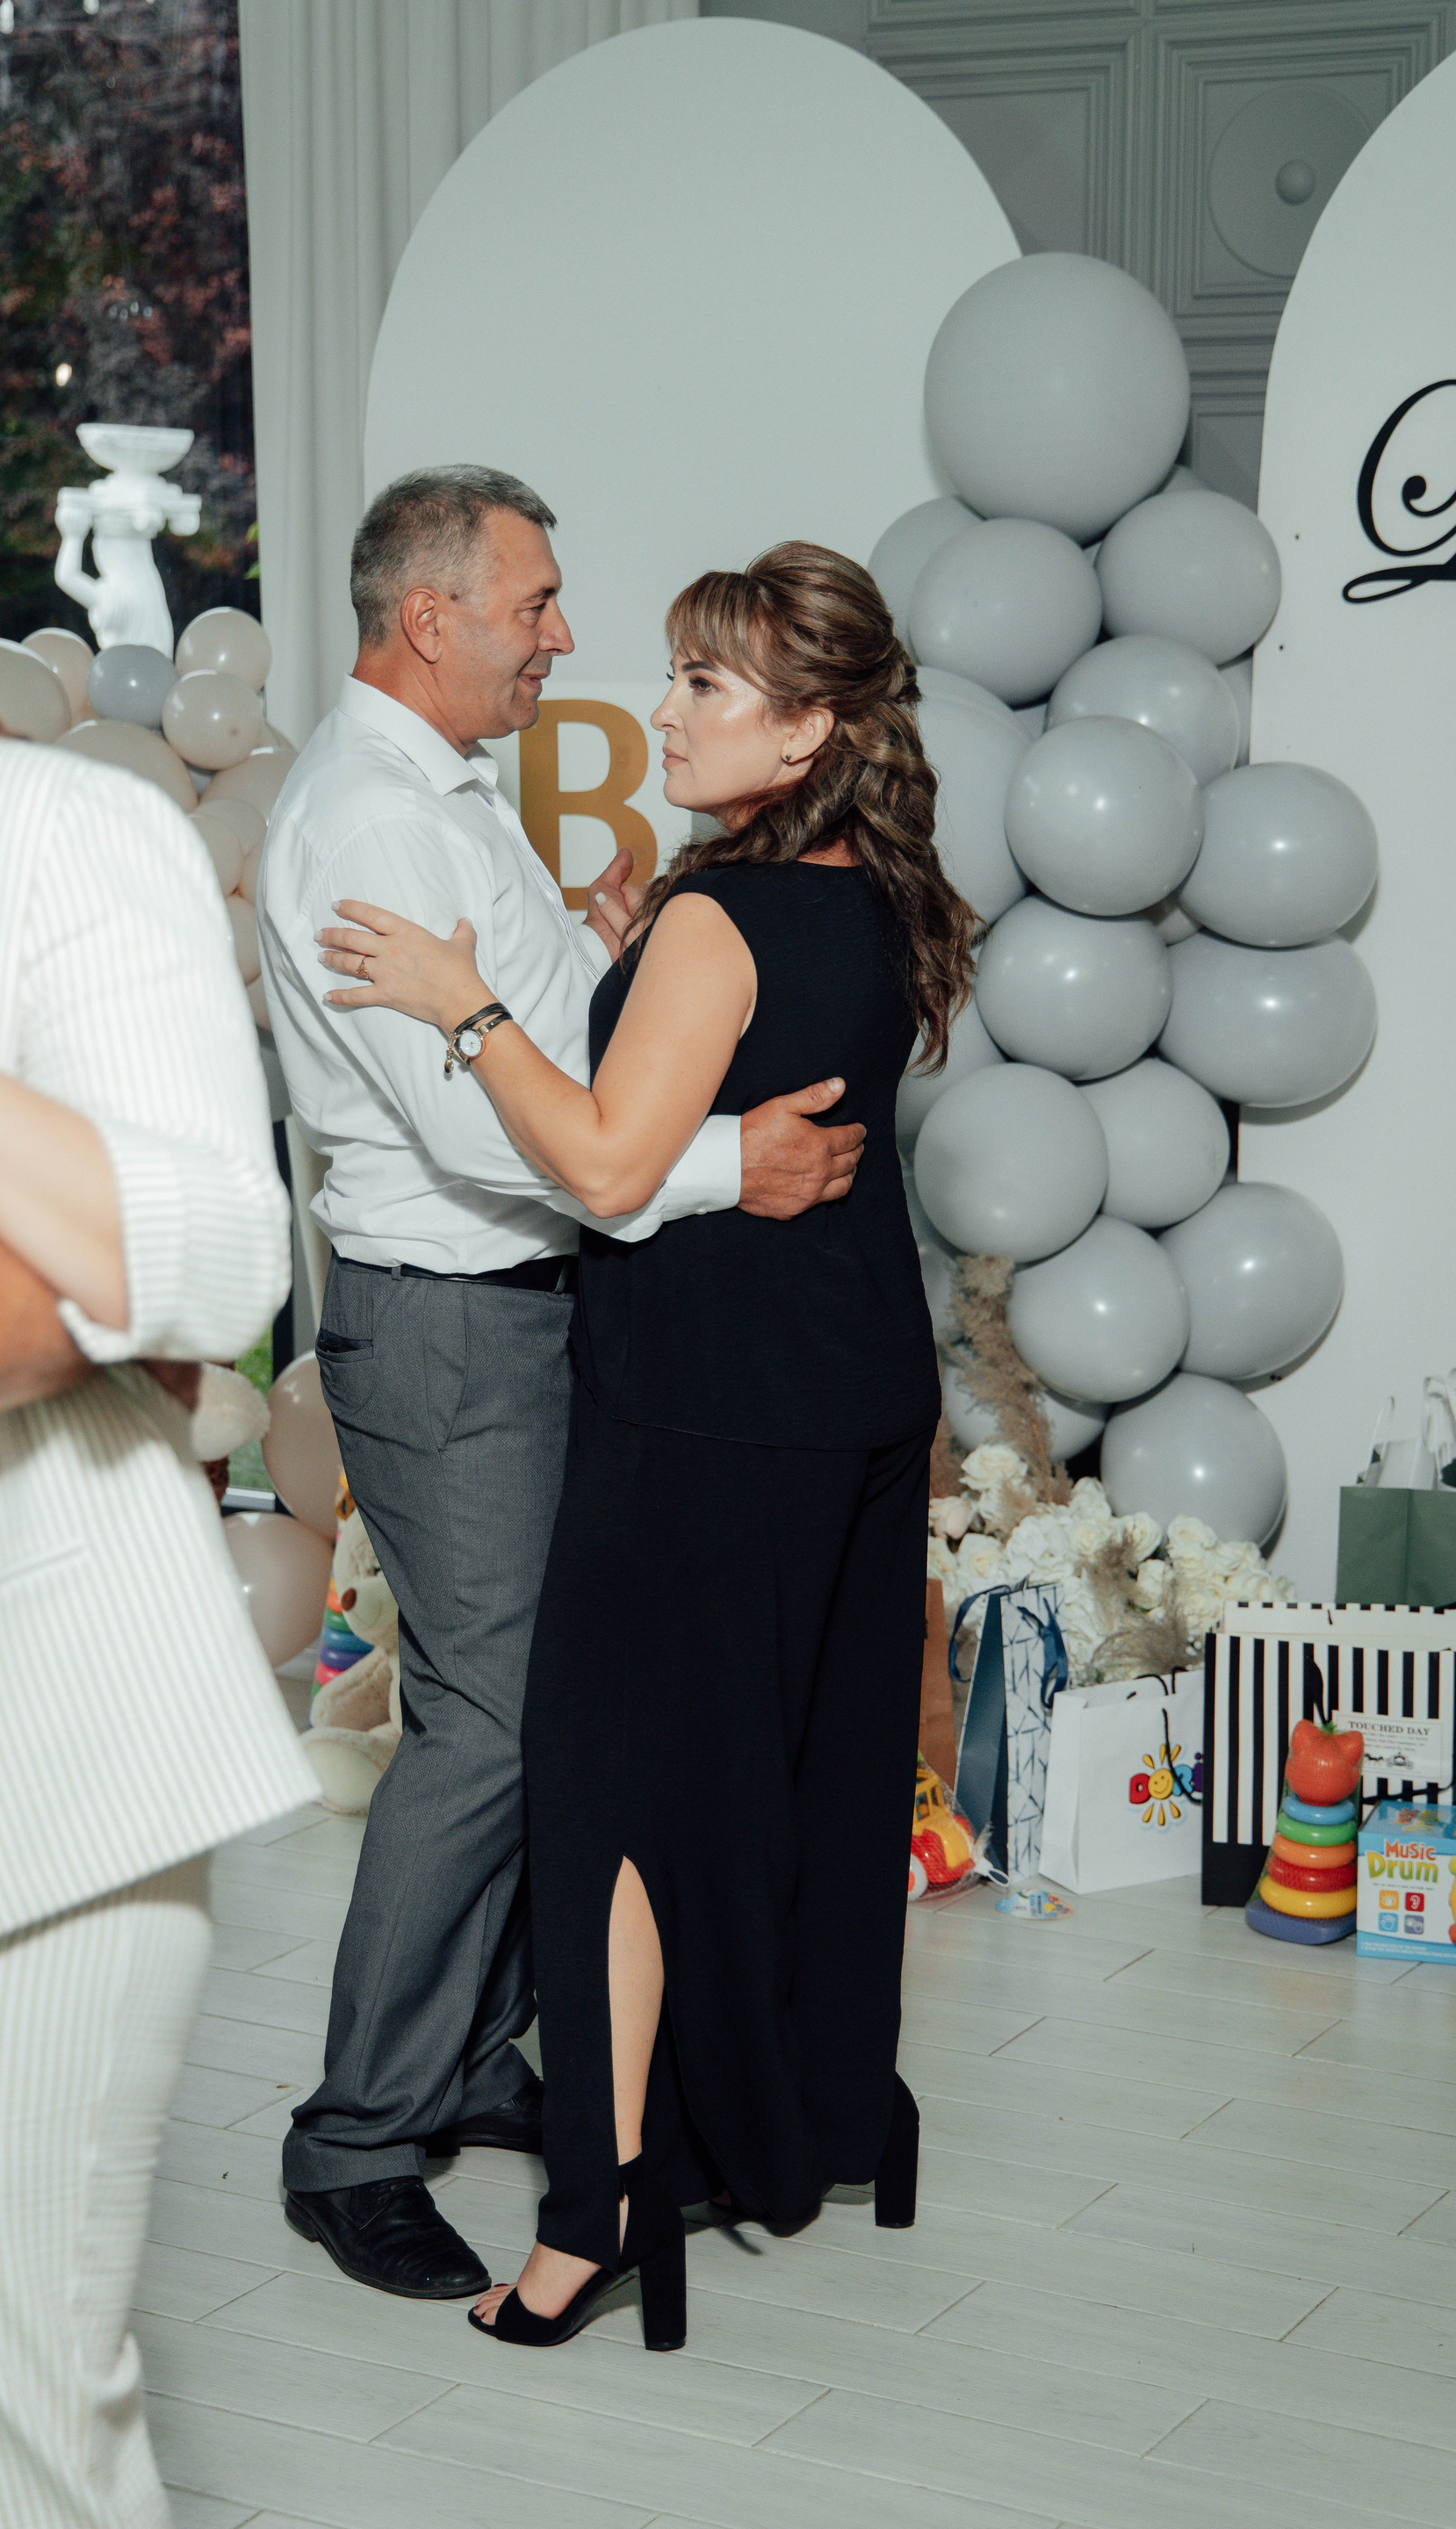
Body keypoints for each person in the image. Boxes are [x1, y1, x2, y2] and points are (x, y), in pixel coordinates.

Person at [315, 539, 975, 2352]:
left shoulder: (718, 916)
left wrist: (466, 1005)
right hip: (854, 1387)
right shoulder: (873, 889)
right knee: (809, 1768)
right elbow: (743, 1066)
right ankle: (818, 2114)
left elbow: (609, 1169)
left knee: (613, 1795)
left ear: (808, 730)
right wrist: (628, 970)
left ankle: (596, 2213)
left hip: (705, 1408)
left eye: (704, 685)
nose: (662, 711)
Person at [0, 739, 318, 2529]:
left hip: (47, 1753)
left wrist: (62, 1285)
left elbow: (188, 1261)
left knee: (27, 2417)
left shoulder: (60, 832)